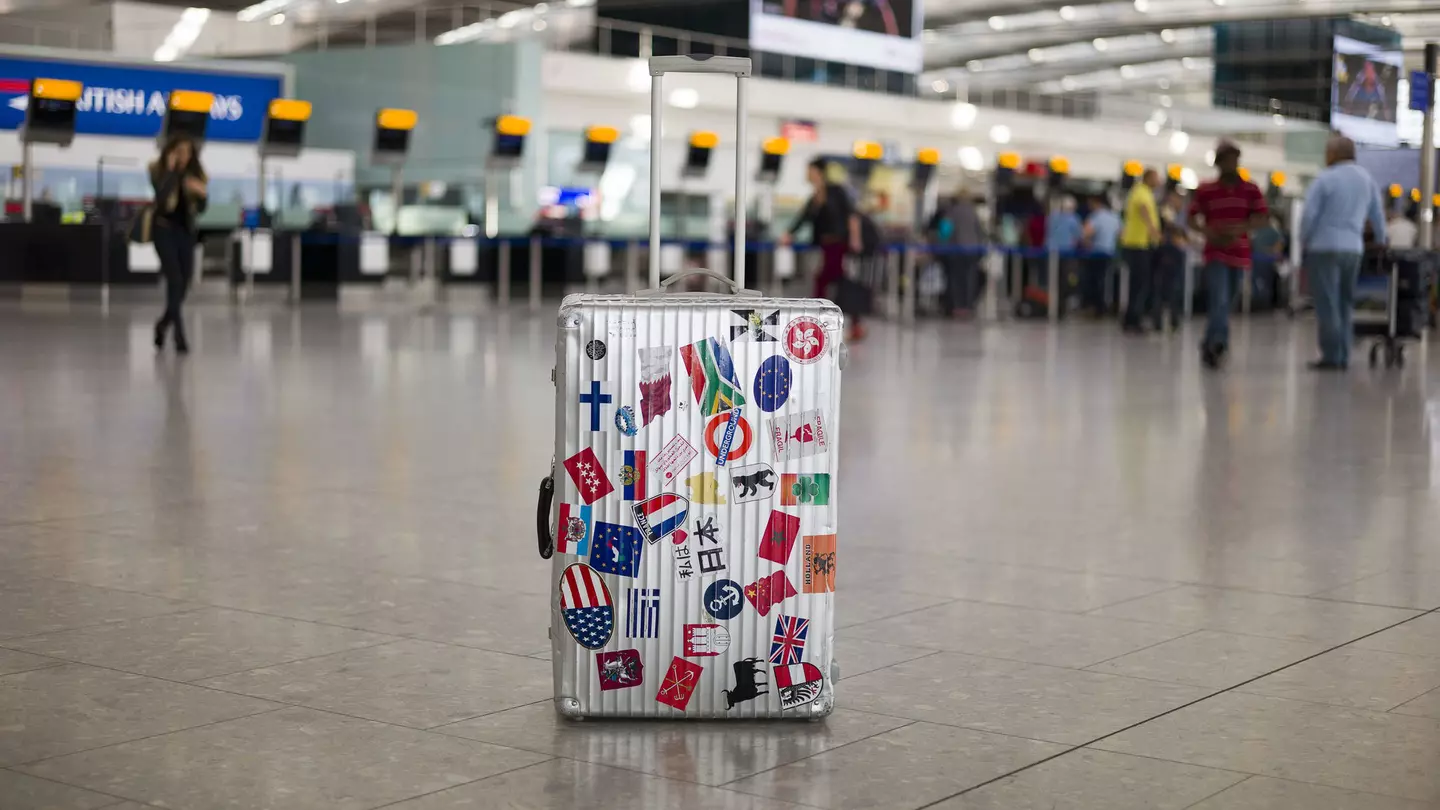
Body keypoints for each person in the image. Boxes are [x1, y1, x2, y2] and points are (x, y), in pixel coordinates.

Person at [1299, 134, 1387, 370]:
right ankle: (1344, 355)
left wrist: (1303, 240)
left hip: (1323, 248)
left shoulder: (1325, 179)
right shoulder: (1366, 179)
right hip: (1353, 249)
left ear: (1335, 154)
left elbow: (1309, 215)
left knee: (1327, 303)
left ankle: (1331, 356)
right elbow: (1378, 215)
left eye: (1327, 151)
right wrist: (1380, 240)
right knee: (1346, 302)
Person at [1189, 139, 1268, 369]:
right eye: (1225, 160)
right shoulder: (1207, 190)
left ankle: (1208, 341)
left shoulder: (1250, 189)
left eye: (1233, 159)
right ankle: (1218, 344)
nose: (1230, 164)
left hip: (1239, 252)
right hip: (1215, 252)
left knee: (1226, 302)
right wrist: (1208, 233)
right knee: (1219, 298)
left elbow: (1262, 217)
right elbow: (1192, 217)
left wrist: (1240, 230)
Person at [782, 157, 864, 339]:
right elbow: (803, 218)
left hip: (839, 244)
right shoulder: (815, 198)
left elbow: (852, 215)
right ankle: (828, 321)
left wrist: (855, 239)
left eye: (810, 170)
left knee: (828, 281)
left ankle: (821, 320)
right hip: (825, 246)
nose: (807, 174)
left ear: (818, 172)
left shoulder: (836, 191)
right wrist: (789, 233)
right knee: (832, 281)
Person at [149, 134, 207, 354]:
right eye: (180, 151)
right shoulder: (158, 170)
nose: (184, 156)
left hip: (185, 233)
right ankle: (179, 335)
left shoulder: (196, 175)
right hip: (163, 230)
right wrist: (173, 171)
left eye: (188, 152)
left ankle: (163, 324)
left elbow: (201, 209)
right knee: (174, 279)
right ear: (171, 151)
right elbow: (161, 199)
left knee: (184, 283)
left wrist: (201, 194)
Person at [928, 188, 986, 317]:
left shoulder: (951, 212)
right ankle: (968, 306)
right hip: (972, 251)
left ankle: (957, 306)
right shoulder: (973, 212)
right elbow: (980, 233)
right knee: (970, 278)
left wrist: (938, 247)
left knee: (955, 279)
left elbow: (944, 233)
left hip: (955, 250)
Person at [1120, 168, 1162, 333]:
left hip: (1139, 243)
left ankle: (1132, 317)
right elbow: (1144, 209)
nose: (1159, 182)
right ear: (1149, 178)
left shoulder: (1142, 192)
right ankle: (1133, 319)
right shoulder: (1141, 192)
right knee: (1139, 284)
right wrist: (1154, 231)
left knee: (1138, 283)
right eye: (1156, 178)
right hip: (1137, 243)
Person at [1153, 192, 1189, 330]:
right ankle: (1159, 320)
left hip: (1173, 254)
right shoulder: (1165, 215)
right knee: (1163, 288)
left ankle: (1173, 319)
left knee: (1173, 288)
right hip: (1166, 254)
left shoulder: (1181, 216)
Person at [1081, 195, 1120, 315]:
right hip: (1111, 253)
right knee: (1108, 280)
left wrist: (1086, 244)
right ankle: (1109, 305)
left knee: (1095, 281)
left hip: (1096, 254)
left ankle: (1097, 306)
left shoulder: (1095, 217)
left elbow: (1085, 233)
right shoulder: (1114, 217)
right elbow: (1121, 234)